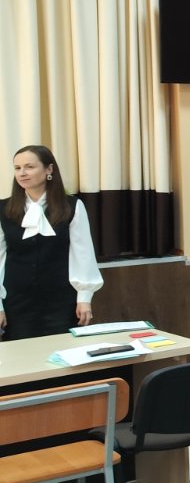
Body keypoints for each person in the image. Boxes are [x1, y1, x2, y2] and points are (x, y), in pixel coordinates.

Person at [0, 145, 103, 340]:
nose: (22, 173)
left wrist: (84, 298)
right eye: (17, 168)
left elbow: (83, 254)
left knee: (62, 349)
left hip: (61, 300)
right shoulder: (3, 209)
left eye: (29, 167)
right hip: (16, 301)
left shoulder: (71, 206)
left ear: (49, 169)